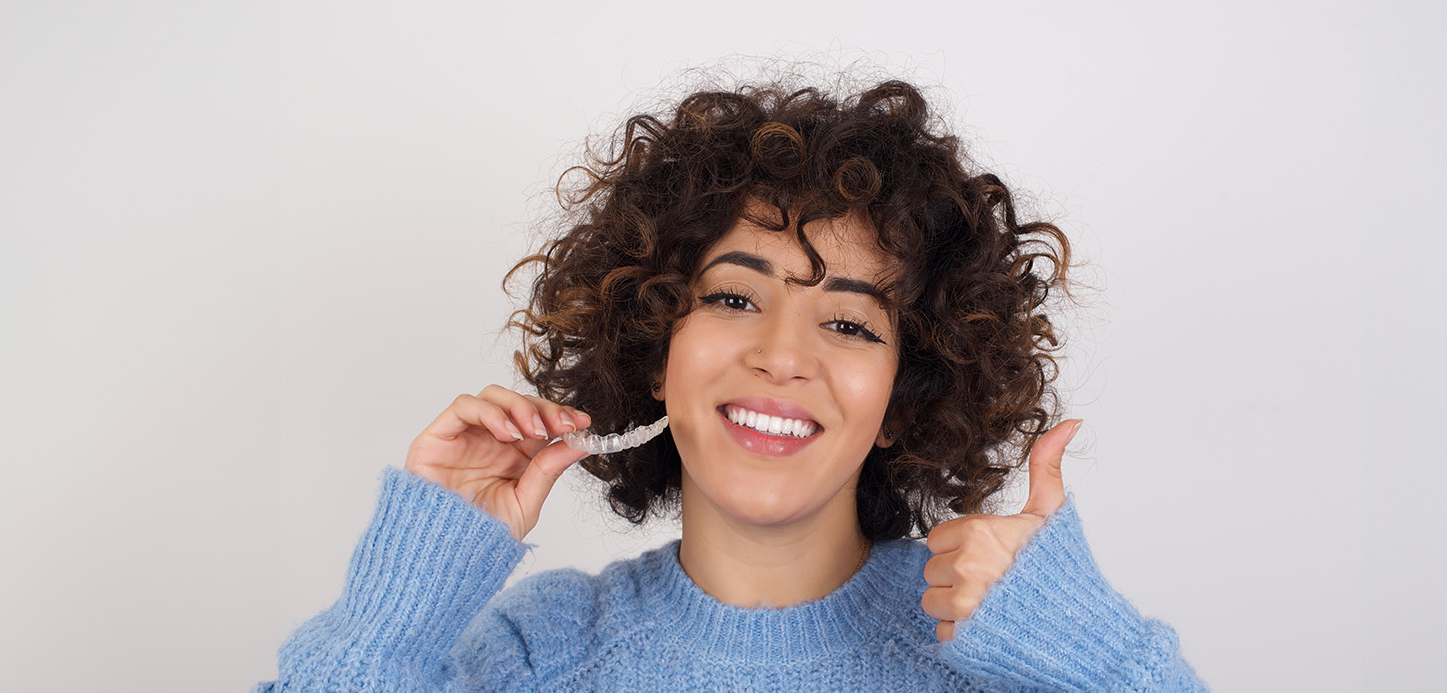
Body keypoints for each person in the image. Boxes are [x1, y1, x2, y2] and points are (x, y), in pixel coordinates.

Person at [254, 78, 1209, 692]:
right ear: (654, 352)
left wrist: (1105, 659)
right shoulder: (536, 656)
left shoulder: (1009, 657)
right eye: (734, 300)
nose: (782, 355)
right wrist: (403, 600)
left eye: (846, 322)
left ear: (904, 400)